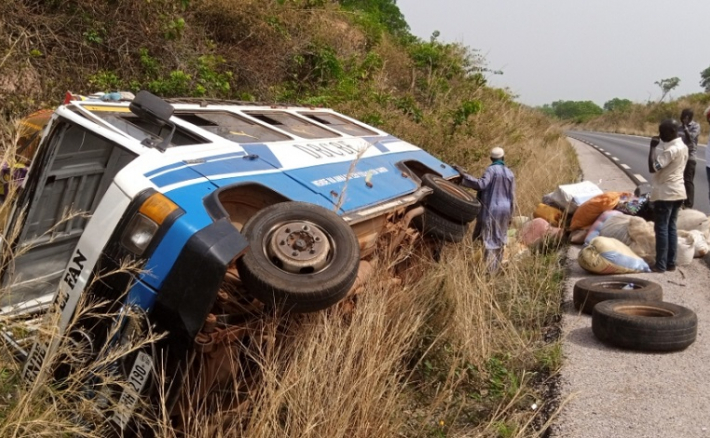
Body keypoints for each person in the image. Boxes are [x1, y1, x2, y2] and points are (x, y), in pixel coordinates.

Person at [452, 147, 515, 273]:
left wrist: (463, 176)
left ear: (491, 158)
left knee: (490, 240)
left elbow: (481, 184)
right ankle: (488, 266)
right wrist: (511, 215)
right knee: (498, 238)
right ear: (503, 158)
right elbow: (512, 195)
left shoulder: (491, 170)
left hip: (492, 209)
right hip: (505, 210)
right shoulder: (510, 173)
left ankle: (489, 272)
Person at [647, 119, 688, 273]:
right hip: (678, 191)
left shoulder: (670, 150)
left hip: (666, 192)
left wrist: (652, 148)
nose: (660, 135)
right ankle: (671, 263)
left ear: (671, 132)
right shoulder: (682, 146)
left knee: (662, 228)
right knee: (671, 227)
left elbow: (653, 168)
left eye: (662, 132)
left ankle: (660, 265)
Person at [678, 108, 700, 208]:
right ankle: (679, 201)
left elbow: (691, 138)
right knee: (678, 179)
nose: (685, 119)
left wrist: (686, 127)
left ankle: (689, 204)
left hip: (690, 156)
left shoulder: (695, 126)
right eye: (683, 117)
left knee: (688, 180)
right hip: (680, 156)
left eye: (687, 117)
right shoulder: (679, 127)